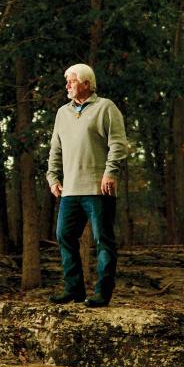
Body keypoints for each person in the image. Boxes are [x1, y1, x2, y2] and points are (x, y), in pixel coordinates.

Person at [47, 63, 127, 307]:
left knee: (103, 240)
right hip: (70, 190)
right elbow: (55, 149)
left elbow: (119, 144)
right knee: (64, 236)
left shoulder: (106, 108)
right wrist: (53, 177)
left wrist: (110, 173)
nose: (67, 85)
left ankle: (103, 292)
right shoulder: (63, 113)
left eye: (71, 81)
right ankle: (74, 289)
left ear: (86, 83)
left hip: (98, 188)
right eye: (67, 81)